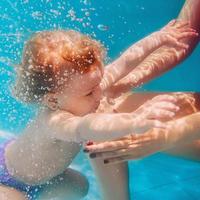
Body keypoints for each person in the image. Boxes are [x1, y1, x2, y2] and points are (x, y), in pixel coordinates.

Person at [0, 20, 194, 200]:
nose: (99, 95)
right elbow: (86, 126)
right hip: (9, 179)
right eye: (89, 93)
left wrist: (157, 38)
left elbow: (124, 62)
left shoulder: (89, 87)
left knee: (81, 186)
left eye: (99, 84)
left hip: (46, 177)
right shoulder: (54, 121)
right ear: (53, 100)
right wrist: (135, 119)